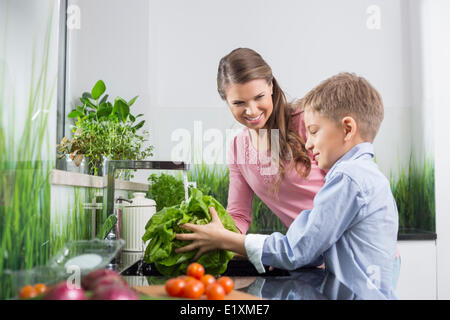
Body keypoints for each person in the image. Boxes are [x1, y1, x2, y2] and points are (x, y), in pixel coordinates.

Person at [176, 72, 399, 299]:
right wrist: (271, 254)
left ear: (348, 129)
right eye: (239, 102)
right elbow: (316, 244)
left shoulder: (347, 177)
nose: (308, 143)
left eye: (313, 131)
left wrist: (226, 239)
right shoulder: (363, 173)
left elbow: (298, 249)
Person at [216, 48, 326, 256]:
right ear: (226, 101)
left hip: (354, 255)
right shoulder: (238, 147)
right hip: (309, 257)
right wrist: (219, 236)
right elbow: (238, 215)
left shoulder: (305, 122)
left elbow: (346, 184)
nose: (252, 111)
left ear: (271, 86)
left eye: (259, 97)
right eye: (239, 103)